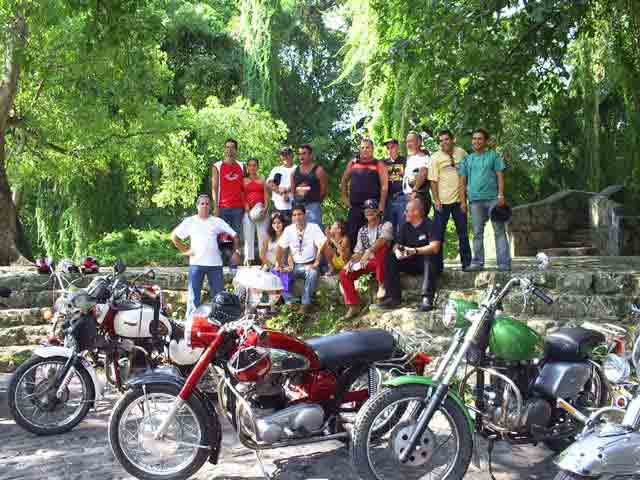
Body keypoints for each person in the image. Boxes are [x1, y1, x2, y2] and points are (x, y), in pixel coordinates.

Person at [171, 194, 241, 319]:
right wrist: (185, 250)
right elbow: (174, 237)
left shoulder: (217, 221)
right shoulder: (190, 221)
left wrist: (235, 252)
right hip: (196, 265)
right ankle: (190, 325)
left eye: (207, 203)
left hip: (215, 265)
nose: (204, 206)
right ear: (197, 206)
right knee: (193, 299)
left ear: (210, 206)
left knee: (219, 298)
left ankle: (219, 324)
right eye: (202, 203)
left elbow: (234, 236)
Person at [459, 128, 511, 271]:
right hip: (475, 201)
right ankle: (477, 263)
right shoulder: (467, 159)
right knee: (477, 233)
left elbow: (500, 176)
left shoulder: (493, 156)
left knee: (499, 231)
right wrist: (463, 202)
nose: (476, 141)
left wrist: (501, 195)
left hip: (494, 199)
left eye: (479, 138)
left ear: (485, 141)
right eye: (474, 138)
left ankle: (504, 263)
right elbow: (462, 182)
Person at [379, 198, 442, 312]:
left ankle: (427, 298)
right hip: (411, 262)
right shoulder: (405, 226)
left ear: (416, 212)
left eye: (407, 210)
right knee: (390, 256)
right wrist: (397, 251)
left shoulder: (430, 224)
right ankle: (393, 297)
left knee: (429, 256)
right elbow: (396, 244)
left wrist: (415, 250)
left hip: (428, 265)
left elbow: (435, 247)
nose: (404, 213)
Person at [339, 199, 393, 319]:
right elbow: (358, 251)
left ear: (377, 211)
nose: (369, 212)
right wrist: (351, 262)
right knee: (344, 273)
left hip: (383, 262)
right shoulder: (362, 230)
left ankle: (382, 285)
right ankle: (353, 305)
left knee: (381, 250)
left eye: (372, 209)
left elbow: (383, 240)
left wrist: (368, 252)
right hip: (366, 262)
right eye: (366, 210)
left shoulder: (386, 225)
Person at [429, 129, 472, 270]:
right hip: (442, 202)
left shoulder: (462, 153)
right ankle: (437, 267)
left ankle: (467, 264)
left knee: (463, 233)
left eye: (446, 139)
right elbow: (433, 181)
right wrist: (436, 200)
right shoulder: (435, 157)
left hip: (459, 200)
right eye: (441, 141)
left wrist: (465, 198)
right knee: (438, 235)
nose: (443, 143)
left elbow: (468, 173)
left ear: (453, 139)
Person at [275, 204, 326, 314]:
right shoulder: (289, 229)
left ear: (305, 215)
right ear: (292, 217)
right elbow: (280, 247)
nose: (297, 217)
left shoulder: (314, 227)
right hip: (295, 266)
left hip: (309, 264)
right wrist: (279, 265)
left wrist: (317, 262)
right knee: (276, 273)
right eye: (294, 215)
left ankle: (305, 304)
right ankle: (290, 301)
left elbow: (322, 245)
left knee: (312, 273)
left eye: (299, 214)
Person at [340, 138, 388, 247]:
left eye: (367, 147)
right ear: (359, 149)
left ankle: (371, 261)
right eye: (362, 147)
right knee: (352, 234)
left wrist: (381, 205)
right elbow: (343, 181)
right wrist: (344, 198)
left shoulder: (378, 164)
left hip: (372, 207)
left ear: (372, 149)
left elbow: (384, 187)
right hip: (355, 206)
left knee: (372, 237)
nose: (365, 150)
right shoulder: (353, 163)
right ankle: (353, 261)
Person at [211, 138, 245, 242]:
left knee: (236, 238)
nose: (229, 150)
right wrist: (215, 207)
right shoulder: (217, 166)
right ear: (224, 149)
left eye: (232, 148)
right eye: (227, 147)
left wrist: (246, 206)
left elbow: (245, 187)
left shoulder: (242, 166)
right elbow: (214, 187)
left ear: (236, 150)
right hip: (223, 208)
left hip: (238, 208)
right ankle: (223, 258)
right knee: (223, 239)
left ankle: (236, 257)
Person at [291, 144, 328, 226]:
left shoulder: (319, 170)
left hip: (313, 206)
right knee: (297, 232)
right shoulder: (294, 172)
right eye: (299, 154)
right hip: (298, 206)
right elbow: (293, 191)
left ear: (311, 155)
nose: (301, 156)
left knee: (314, 231)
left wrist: (316, 201)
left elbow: (324, 190)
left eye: (304, 153)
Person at [242, 157, 270, 264]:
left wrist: (266, 209)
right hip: (248, 211)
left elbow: (266, 196)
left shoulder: (263, 179)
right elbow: (242, 196)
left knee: (263, 236)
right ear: (247, 167)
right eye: (250, 165)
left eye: (254, 165)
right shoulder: (243, 180)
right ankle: (248, 259)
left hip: (261, 210)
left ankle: (264, 260)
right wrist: (246, 208)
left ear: (257, 167)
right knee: (248, 235)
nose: (252, 167)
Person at [260, 212, 294, 299]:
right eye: (274, 223)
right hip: (269, 265)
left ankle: (286, 298)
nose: (276, 225)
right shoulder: (267, 237)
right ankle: (270, 300)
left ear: (283, 224)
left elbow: (290, 254)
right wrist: (270, 265)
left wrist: (287, 266)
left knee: (284, 274)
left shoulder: (288, 236)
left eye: (279, 222)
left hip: (282, 265)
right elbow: (262, 255)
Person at [383, 138, 407, 233]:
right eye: (388, 148)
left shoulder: (405, 160)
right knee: (388, 226)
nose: (390, 150)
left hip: (402, 197)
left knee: (401, 225)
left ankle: (401, 246)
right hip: (387, 199)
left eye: (392, 147)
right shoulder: (383, 163)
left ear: (397, 147)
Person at [403, 131, 431, 212]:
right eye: (407, 141)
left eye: (411, 141)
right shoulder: (409, 158)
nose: (408, 144)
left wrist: (414, 190)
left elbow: (423, 173)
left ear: (419, 142)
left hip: (418, 196)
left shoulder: (424, 157)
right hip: (408, 196)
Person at [267, 147, 296, 223]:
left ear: (292, 155)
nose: (285, 157)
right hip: (277, 206)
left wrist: (286, 190)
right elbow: (269, 183)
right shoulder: (276, 169)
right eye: (283, 155)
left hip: (294, 206)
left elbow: (299, 183)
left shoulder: (297, 169)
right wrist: (281, 192)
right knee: (277, 231)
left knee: (293, 231)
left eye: (287, 154)